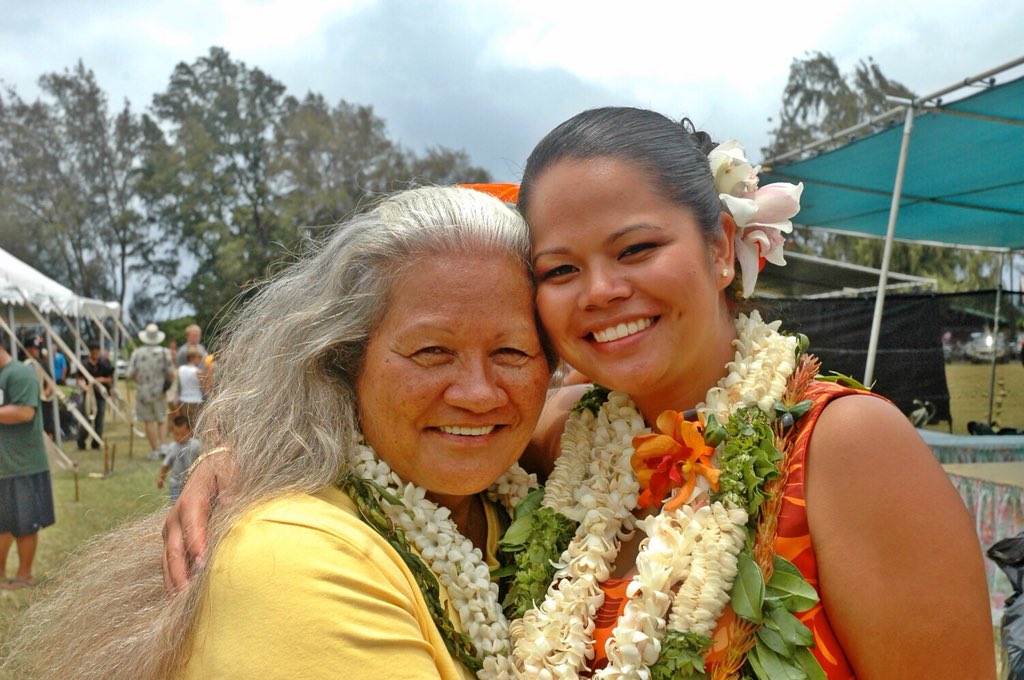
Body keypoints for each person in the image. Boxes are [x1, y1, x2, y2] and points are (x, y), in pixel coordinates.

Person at [169, 108, 994, 678]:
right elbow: (403, 417)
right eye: (560, 269)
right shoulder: (567, 439)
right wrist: (248, 458)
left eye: (635, 249)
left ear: (720, 246)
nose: (599, 291)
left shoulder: (846, 447)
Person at [1, 186, 553, 680]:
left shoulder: (540, 492)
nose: (478, 392)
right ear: (342, 360)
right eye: (431, 351)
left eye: (512, 351)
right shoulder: (288, 557)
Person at [0, 341, 56, 590]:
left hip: (22, 464)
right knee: (3, 524)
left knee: (24, 524)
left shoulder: (20, 373)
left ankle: (25, 575)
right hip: (5, 464)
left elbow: (24, 412)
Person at [128, 323, 176, 459]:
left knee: (148, 421)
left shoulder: (137, 353)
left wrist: (139, 382)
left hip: (143, 392)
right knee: (161, 420)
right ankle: (163, 447)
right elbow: (171, 373)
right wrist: (166, 385)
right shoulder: (164, 352)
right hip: (160, 391)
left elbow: (130, 372)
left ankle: (154, 450)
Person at [76, 342, 114, 450]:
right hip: (88, 396)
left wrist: (101, 380)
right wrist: (86, 388)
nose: (96, 354)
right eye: (94, 352)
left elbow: (109, 378)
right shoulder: (84, 364)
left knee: (99, 420)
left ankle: (96, 442)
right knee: (86, 419)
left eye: (97, 352)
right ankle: (81, 442)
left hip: (101, 396)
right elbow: (80, 380)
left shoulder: (104, 363)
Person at [157, 414, 202, 503]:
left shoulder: (196, 445)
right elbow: (166, 465)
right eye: (176, 434)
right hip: (176, 485)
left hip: (193, 483)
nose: (179, 437)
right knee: (175, 506)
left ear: (190, 432)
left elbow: (203, 460)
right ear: (172, 432)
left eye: (183, 434)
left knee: (191, 504)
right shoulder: (172, 447)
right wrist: (161, 478)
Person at [23, 337, 55, 439]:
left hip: (43, 401)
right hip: (29, 401)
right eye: (35, 348)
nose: (37, 351)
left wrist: (45, 392)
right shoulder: (22, 364)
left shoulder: (42, 363)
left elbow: (50, 381)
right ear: (28, 349)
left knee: (47, 426)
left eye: (38, 348)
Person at [175, 346, 205, 428]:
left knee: (186, 427)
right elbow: (203, 387)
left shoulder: (180, 369)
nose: (200, 360)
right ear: (192, 358)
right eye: (199, 357)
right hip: (196, 401)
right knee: (196, 427)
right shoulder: (198, 372)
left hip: (183, 401)